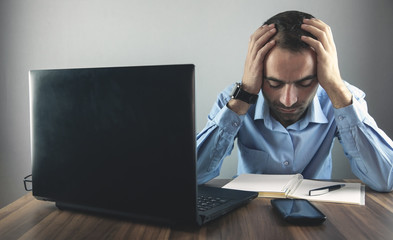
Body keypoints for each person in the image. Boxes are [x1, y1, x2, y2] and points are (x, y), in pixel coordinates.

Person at [196, 10, 393, 192]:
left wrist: (336, 88)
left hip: (318, 218)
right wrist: (243, 97)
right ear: (258, 73)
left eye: (305, 82)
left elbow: (386, 180)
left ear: (321, 74)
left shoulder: (342, 99)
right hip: (251, 218)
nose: (288, 101)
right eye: (274, 84)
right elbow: (192, 176)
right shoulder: (234, 101)